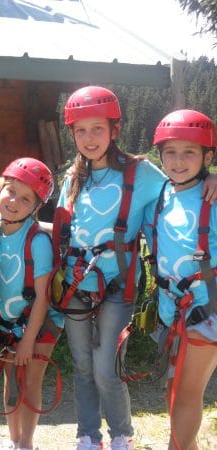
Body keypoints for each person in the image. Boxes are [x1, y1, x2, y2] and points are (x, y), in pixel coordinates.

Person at [53, 85, 167, 450]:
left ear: (114, 131)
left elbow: (180, 194)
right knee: (83, 366)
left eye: (97, 129)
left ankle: (122, 435)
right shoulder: (72, 178)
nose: (89, 138)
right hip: (76, 283)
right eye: (81, 130)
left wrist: (209, 180)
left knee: (106, 369)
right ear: (72, 133)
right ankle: (88, 435)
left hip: (118, 286)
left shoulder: (142, 173)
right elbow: (64, 229)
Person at [145, 109, 217, 450]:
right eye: (171, 152)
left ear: (207, 156)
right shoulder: (160, 196)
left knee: (185, 392)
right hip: (169, 309)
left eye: (190, 152)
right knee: (172, 388)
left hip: (207, 311)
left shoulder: (213, 197)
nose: (178, 160)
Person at [0, 158, 64, 450]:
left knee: (31, 380)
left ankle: (26, 443)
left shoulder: (37, 242)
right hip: (7, 321)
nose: (14, 201)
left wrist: (28, 340)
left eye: (25, 198)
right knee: (10, 379)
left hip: (39, 322)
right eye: (9, 191)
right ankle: (12, 440)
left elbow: (44, 297)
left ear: (35, 207)